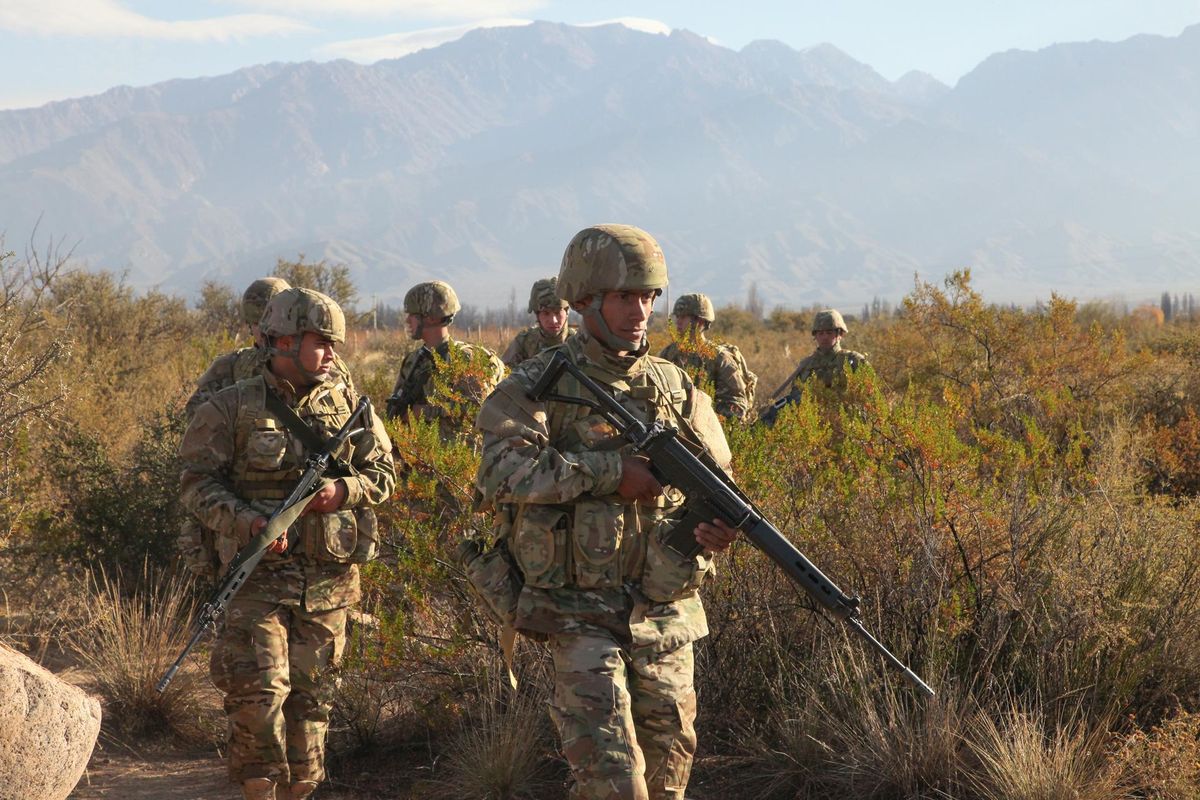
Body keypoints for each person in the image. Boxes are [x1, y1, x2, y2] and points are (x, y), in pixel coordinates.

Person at [473, 224, 739, 800]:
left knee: (668, 782)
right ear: (583, 300)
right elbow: (499, 472)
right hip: (578, 613)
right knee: (614, 783)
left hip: (664, 612)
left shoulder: (676, 387)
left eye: (648, 296)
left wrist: (713, 530)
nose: (639, 311)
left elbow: (719, 481)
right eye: (624, 296)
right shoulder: (538, 384)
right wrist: (610, 473)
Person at [179, 288, 396, 800]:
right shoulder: (231, 406)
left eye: (334, 344)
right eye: (321, 342)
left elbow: (384, 473)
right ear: (283, 342)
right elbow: (196, 483)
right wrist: (249, 523)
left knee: (312, 702)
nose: (331, 354)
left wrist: (343, 491)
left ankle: (301, 789)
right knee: (257, 696)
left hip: (327, 584)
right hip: (254, 580)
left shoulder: (351, 406)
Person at [180, 277, 354, 579]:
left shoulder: (331, 370)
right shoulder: (231, 369)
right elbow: (198, 440)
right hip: (249, 530)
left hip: (324, 548)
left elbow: (362, 445)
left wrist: (341, 489)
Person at [385, 280, 504, 439]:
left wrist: (423, 412)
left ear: (431, 318)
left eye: (413, 315)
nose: (407, 320)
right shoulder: (413, 361)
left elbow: (477, 410)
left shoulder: (465, 359)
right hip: (418, 449)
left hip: (458, 451)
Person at [658, 293, 757, 422]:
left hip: (709, 430)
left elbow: (736, 405)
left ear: (699, 321)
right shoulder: (668, 354)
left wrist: (705, 420)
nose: (678, 322)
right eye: (677, 316)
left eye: (683, 317)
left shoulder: (720, 358)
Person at [761, 308, 869, 425]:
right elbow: (796, 398)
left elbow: (870, 394)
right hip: (812, 427)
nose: (825, 337)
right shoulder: (806, 365)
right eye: (820, 333)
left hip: (847, 425)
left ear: (840, 334)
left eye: (829, 333)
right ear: (815, 336)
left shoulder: (854, 360)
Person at [501, 276, 574, 368]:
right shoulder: (524, 343)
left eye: (557, 312)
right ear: (537, 315)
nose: (553, 320)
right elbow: (503, 371)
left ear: (567, 312)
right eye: (546, 313)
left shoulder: (578, 344)